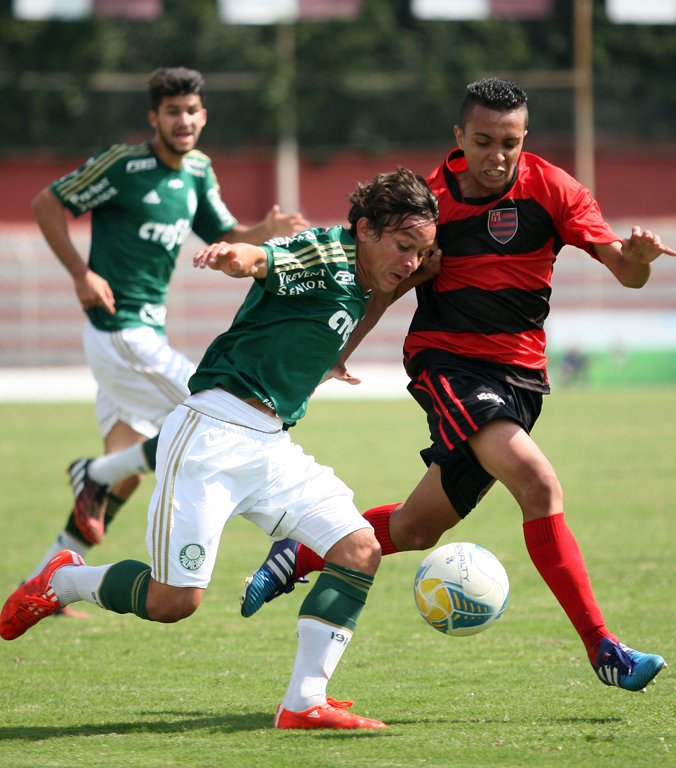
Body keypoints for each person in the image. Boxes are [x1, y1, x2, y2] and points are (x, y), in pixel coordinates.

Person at [239, 78, 672, 693]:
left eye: (510, 143)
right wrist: (341, 352)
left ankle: (299, 554)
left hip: (522, 378)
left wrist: (639, 260)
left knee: (417, 528)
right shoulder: (431, 204)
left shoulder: (554, 188)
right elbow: (386, 282)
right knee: (539, 484)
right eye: (484, 141)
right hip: (450, 366)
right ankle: (605, 648)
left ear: (525, 138)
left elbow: (625, 272)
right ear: (459, 137)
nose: (498, 156)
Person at [0, 167, 440, 730]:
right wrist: (236, 256)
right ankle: (64, 579)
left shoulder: (367, 275)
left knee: (358, 549)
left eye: (420, 251)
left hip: (272, 445)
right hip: (211, 435)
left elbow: (371, 299)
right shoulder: (324, 253)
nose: (411, 261)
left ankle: (304, 702)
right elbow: (264, 260)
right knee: (173, 602)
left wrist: (344, 349)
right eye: (404, 246)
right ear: (365, 229)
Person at [26, 67, 310, 584]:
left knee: (124, 473)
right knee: (218, 415)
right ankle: (95, 475)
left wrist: (264, 230)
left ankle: (44, 582)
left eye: (191, 111)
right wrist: (80, 273)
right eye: (172, 111)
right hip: (120, 332)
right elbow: (48, 202)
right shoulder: (124, 165)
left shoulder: (198, 170)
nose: (184, 120)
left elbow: (225, 232)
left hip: (145, 338)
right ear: (154, 117)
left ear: (204, 116)